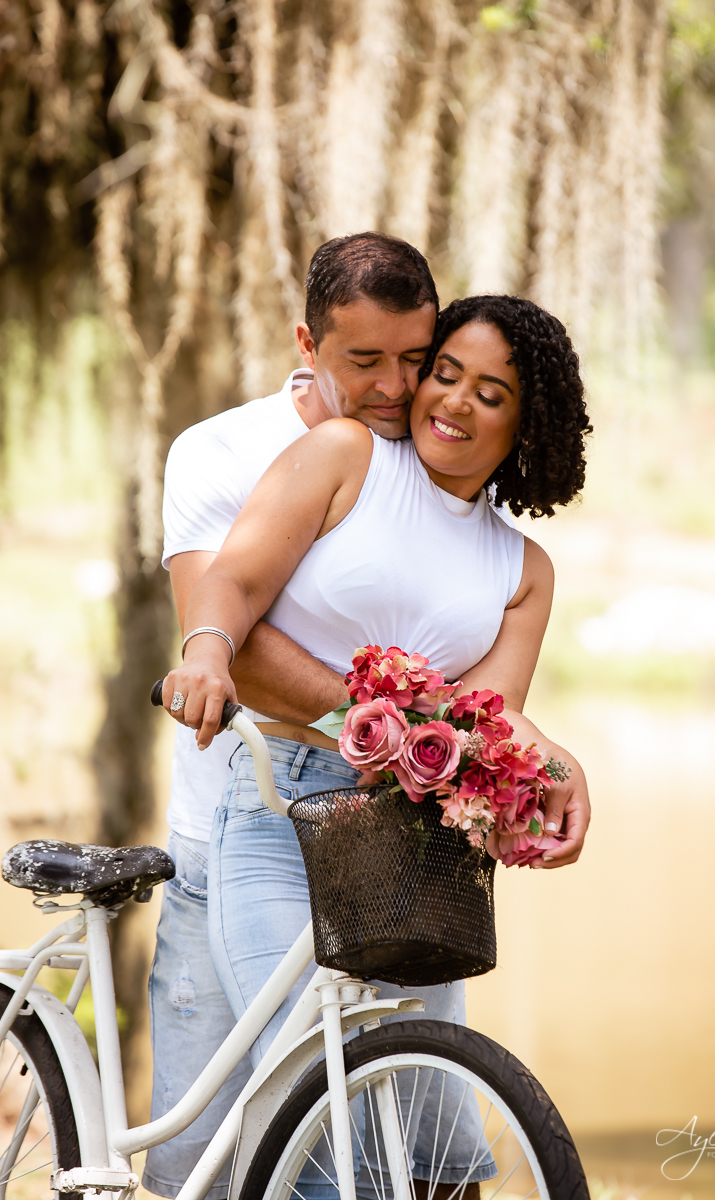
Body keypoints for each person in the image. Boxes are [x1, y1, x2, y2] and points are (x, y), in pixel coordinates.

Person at [161, 293, 592, 1197]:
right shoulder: (345, 455)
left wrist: (557, 764)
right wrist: (206, 650)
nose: (455, 401)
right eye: (447, 373)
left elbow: (492, 713)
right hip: (279, 805)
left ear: (528, 423)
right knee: (313, 1114)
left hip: (414, 840)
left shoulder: (523, 570)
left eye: (492, 392)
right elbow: (233, 581)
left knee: (428, 1144)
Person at [144, 232, 441, 1198]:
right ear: (307, 342)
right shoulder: (222, 450)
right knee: (210, 1168)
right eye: (366, 362)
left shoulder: (429, 459)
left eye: (416, 357)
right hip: (234, 832)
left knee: (425, 1150)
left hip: (395, 850)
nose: (399, 387)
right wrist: (389, 720)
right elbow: (225, 623)